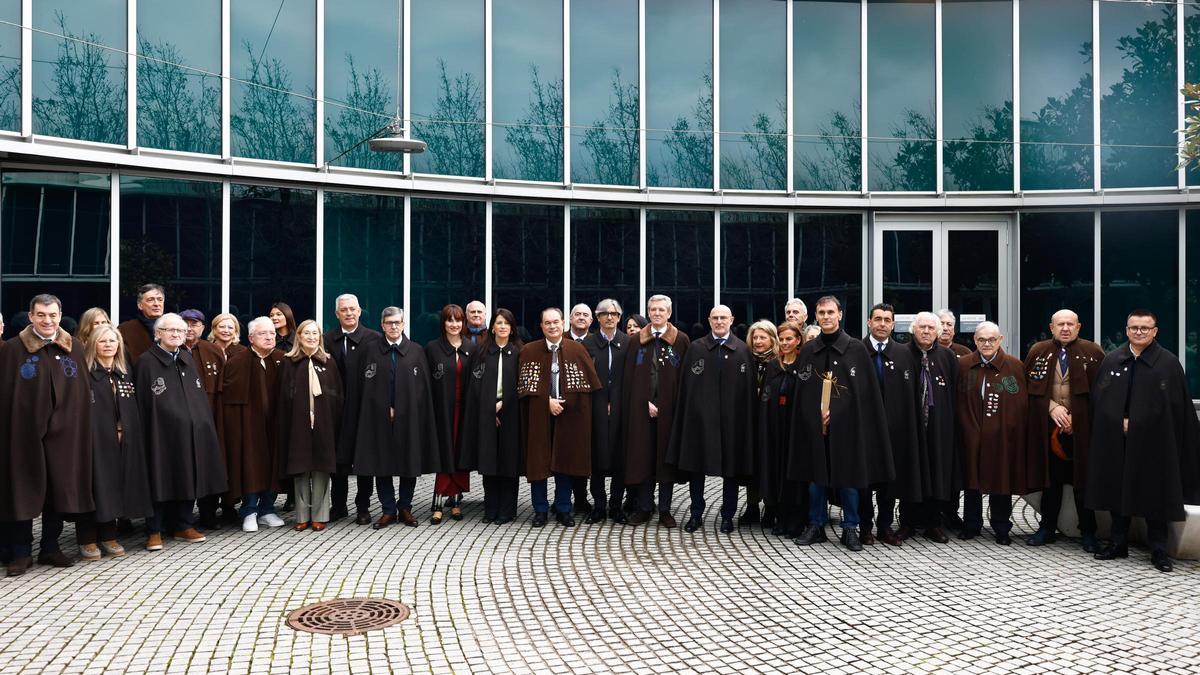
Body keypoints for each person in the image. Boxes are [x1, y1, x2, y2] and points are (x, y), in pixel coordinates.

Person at [1088, 310, 1200, 573]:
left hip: (1156, 445)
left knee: (1155, 492)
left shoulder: (1168, 364)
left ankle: (1159, 549)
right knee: (1118, 490)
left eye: (1145, 328)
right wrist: (1119, 421)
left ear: (1155, 331)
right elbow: (1100, 402)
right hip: (1119, 442)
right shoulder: (1113, 360)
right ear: (1127, 330)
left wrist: (1138, 424)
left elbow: (1176, 408)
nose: (1139, 332)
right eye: (1134, 328)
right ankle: (1118, 542)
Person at [0, 294, 95, 575]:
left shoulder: (74, 347)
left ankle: (50, 547)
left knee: (59, 489)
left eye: (52, 315)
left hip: (66, 435)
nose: (47, 320)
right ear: (30, 316)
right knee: (22, 489)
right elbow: (7, 394)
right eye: (41, 315)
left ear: (60, 315)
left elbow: (80, 393)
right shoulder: (13, 350)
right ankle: (21, 552)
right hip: (23, 434)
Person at [791, 296, 894, 552]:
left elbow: (863, 394)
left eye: (830, 312)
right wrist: (816, 415)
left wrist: (836, 414)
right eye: (822, 313)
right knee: (816, 477)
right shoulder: (808, 349)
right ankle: (816, 524)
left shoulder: (855, 349)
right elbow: (802, 391)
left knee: (848, 476)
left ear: (840, 315)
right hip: (815, 427)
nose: (826, 317)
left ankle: (850, 526)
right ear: (816, 316)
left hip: (848, 428)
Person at [137, 313, 227, 551]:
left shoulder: (186, 358)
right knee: (160, 476)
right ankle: (154, 529)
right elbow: (146, 402)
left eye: (180, 330)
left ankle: (183, 524)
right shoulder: (147, 361)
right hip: (161, 433)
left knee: (189, 474)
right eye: (170, 330)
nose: (177, 334)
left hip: (192, 432)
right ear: (158, 333)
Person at [351, 307, 444, 529]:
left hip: (409, 419)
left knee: (408, 462)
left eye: (397, 322)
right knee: (382, 463)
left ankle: (405, 508)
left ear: (404, 325)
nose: (394, 326)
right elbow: (363, 387)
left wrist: (405, 410)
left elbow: (422, 390)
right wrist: (385, 407)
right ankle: (388, 509)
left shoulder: (415, 351)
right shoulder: (371, 351)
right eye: (389, 322)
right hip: (378, 419)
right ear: (382, 325)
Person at [667, 305, 755, 534]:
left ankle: (728, 515)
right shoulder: (696, 349)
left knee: (731, 470)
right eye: (715, 318)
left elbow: (747, 393)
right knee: (697, 467)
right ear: (709, 320)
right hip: (700, 422)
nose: (719, 321)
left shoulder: (743, 350)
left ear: (732, 319)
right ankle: (696, 513)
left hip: (732, 423)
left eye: (723, 317)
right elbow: (686, 389)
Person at [1024, 309, 1106, 551]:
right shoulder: (1038, 351)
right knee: (1052, 480)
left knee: (1083, 481)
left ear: (1079, 327)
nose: (1066, 328)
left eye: (1070, 324)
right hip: (1047, 428)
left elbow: (1104, 392)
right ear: (1052, 327)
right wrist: (1051, 408)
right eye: (1060, 324)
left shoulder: (1093, 352)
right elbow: (1026, 387)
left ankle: (1088, 531)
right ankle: (1047, 527)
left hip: (1082, 430)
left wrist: (1077, 420)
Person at [517, 308, 602, 528]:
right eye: (547, 323)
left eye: (556, 322)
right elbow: (524, 388)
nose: (552, 326)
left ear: (563, 323)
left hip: (569, 416)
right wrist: (546, 401)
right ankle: (540, 510)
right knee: (539, 462)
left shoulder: (577, 350)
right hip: (539, 415)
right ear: (541, 326)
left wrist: (567, 403)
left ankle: (564, 508)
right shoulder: (529, 350)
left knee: (565, 461)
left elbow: (588, 387)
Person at [79, 324, 152, 560]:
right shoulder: (86, 373)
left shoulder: (124, 371)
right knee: (95, 487)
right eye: (103, 341)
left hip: (124, 440)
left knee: (115, 487)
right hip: (95, 441)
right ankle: (88, 539)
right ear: (93, 344)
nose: (109, 345)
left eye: (113, 341)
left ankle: (109, 536)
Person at [957, 321, 1034, 546]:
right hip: (971, 434)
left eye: (992, 339)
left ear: (1000, 340)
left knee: (1002, 481)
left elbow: (1020, 406)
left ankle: (1002, 526)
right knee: (971, 481)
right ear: (975, 341)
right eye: (982, 340)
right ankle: (972, 524)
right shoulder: (963, 365)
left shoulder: (1014, 366)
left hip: (1002, 438)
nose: (987, 344)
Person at [622, 295, 691, 527]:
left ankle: (664, 510)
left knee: (665, 460)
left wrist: (667, 405)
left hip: (669, 413)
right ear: (649, 312)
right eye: (653, 309)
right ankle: (644, 507)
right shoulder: (636, 341)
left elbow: (683, 378)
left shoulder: (680, 340)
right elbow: (629, 379)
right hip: (641, 412)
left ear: (669, 313)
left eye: (661, 310)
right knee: (642, 457)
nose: (657, 313)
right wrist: (644, 402)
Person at [858, 303, 919, 547]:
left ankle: (884, 526)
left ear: (893, 325)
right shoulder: (857, 350)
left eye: (887, 320)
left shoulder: (904, 353)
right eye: (878, 319)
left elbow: (911, 395)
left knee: (888, 482)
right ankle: (864, 527)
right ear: (869, 323)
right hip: (864, 430)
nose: (882, 324)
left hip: (894, 430)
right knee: (863, 481)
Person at [218, 317, 286, 533]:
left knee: (272, 466)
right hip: (248, 427)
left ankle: (267, 509)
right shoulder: (237, 361)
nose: (269, 337)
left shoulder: (281, 359)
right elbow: (228, 399)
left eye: (272, 334)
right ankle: (249, 511)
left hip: (274, 425)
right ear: (250, 338)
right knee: (250, 466)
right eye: (263, 333)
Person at [896, 312, 959, 543]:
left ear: (938, 332)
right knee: (910, 472)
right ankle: (908, 523)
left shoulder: (948, 357)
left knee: (936, 472)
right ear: (913, 329)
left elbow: (954, 392)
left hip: (938, 426)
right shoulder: (901, 353)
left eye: (931, 328)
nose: (926, 331)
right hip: (909, 426)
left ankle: (934, 523)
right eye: (921, 327)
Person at [458, 309, 524, 524]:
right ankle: (491, 507)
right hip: (486, 414)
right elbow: (474, 386)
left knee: (509, 461)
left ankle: (507, 509)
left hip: (513, 415)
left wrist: (504, 406)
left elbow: (523, 386)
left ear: (512, 327)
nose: (503, 326)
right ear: (492, 326)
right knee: (489, 461)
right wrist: (489, 409)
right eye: (499, 322)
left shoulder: (520, 351)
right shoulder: (482, 351)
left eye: (507, 323)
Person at [276, 320, 342, 532]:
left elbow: (337, 394)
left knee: (321, 468)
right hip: (298, 422)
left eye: (315, 334)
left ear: (320, 337)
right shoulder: (290, 362)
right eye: (307, 334)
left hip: (324, 423)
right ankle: (302, 515)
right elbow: (284, 396)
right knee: (301, 467)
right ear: (300, 337)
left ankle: (320, 515)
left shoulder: (329, 361)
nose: (312, 337)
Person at [323, 294, 381, 523]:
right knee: (338, 460)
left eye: (352, 309)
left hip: (364, 409)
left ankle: (363, 507)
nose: (348, 313)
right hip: (335, 410)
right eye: (343, 310)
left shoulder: (374, 339)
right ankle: (338, 506)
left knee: (364, 459)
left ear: (360, 311)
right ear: (337, 314)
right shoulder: (326, 340)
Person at [582, 299, 630, 524]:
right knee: (597, 458)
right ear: (597, 317)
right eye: (604, 314)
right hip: (595, 409)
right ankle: (599, 506)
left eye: (614, 314)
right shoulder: (588, 344)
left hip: (623, 409)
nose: (609, 317)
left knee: (620, 458)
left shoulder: (629, 343)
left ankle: (616, 506)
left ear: (620, 317)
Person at [756, 321, 806, 537]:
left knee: (794, 472)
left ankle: (796, 519)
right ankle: (780, 516)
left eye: (789, 339)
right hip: (775, 426)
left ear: (798, 341)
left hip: (796, 429)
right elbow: (766, 397)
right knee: (776, 471)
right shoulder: (774, 367)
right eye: (782, 339)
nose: (785, 343)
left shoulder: (804, 366)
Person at [426, 304, 473, 524]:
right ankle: (437, 503)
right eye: (449, 320)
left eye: (458, 320)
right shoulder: (433, 348)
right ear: (443, 322)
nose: (454, 325)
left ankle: (454, 502)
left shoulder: (471, 348)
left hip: (463, 411)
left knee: (459, 453)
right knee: (443, 453)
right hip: (440, 411)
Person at [565, 303, 596, 513]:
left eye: (586, 315)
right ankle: (563, 500)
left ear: (591, 321)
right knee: (564, 453)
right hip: (563, 406)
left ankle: (582, 498)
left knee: (583, 453)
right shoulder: (561, 339)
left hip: (588, 405)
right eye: (577, 314)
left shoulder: (596, 342)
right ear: (570, 318)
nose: (581, 318)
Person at [118, 283, 166, 363]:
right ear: (140, 305)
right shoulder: (125, 329)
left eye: (160, 299)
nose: (156, 304)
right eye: (150, 300)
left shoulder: (175, 328)